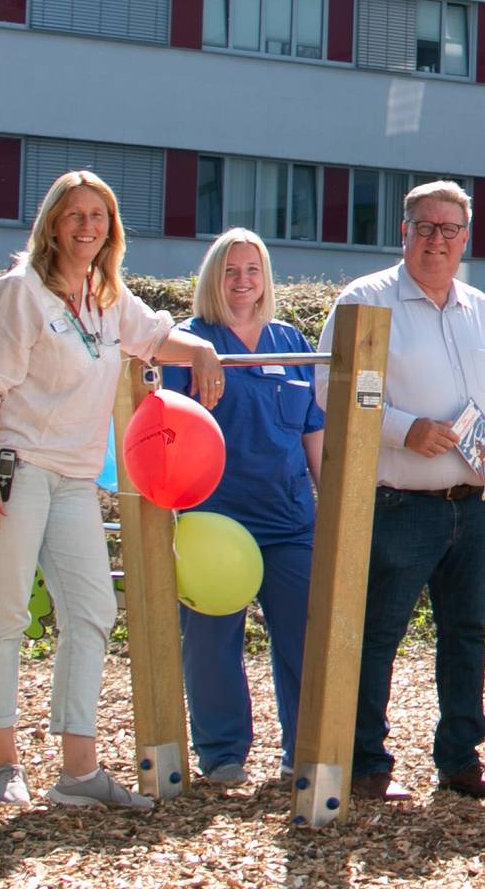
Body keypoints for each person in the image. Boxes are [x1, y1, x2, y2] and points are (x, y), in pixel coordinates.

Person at [0, 171, 228, 809]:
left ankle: (78, 772)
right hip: (11, 468)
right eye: (75, 214)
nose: (87, 226)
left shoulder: (105, 296)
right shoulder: (18, 291)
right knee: (4, 612)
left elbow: (157, 337)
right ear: (53, 222)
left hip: (74, 477)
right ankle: (1, 765)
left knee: (92, 611)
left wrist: (206, 354)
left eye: (98, 216)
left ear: (111, 230)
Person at [315, 180, 485, 802]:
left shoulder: (482, 308)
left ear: (466, 238)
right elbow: (334, 392)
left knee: (465, 636)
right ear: (403, 232)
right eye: (427, 228)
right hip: (400, 504)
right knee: (377, 636)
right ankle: (364, 766)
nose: (439, 241)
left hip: (477, 504)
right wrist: (406, 430)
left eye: (451, 230)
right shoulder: (366, 301)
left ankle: (460, 763)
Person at [160, 229, 323, 785]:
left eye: (252, 270)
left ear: (266, 278)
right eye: (230, 271)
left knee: (302, 636)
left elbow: (312, 433)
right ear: (213, 278)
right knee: (211, 642)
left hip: (288, 519)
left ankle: (302, 750)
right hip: (213, 518)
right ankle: (223, 754)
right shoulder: (188, 341)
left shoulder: (290, 341)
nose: (242, 281)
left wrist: (330, 510)